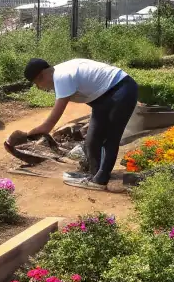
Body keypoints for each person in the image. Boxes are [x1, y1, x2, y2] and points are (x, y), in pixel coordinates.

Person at [23, 57, 139, 191]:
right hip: (103, 98)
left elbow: (49, 124)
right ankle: (94, 174)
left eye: (37, 84)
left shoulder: (61, 76)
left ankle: (100, 180)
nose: (39, 88)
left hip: (121, 91)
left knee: (110, 137)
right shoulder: (61, 72)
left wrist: (29, 134)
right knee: (92, 139)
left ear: (41, 76)